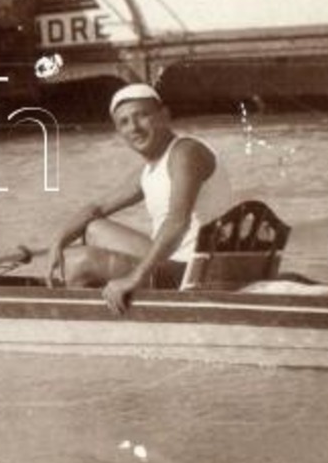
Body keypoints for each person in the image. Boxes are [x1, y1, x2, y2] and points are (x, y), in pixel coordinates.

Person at [48, 83, 234, 313]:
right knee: (94, 228)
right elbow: (96, 208)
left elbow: (177, 221)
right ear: (119, 132)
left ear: (164, 115)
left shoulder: (186, 152)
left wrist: (133, 278)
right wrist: (58, 240)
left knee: (77, 262)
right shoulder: (151, 168)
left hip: (192, 271)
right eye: (124, 122)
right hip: (174, 260)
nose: (134, 128)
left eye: (142, 116)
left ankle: (81, 323)